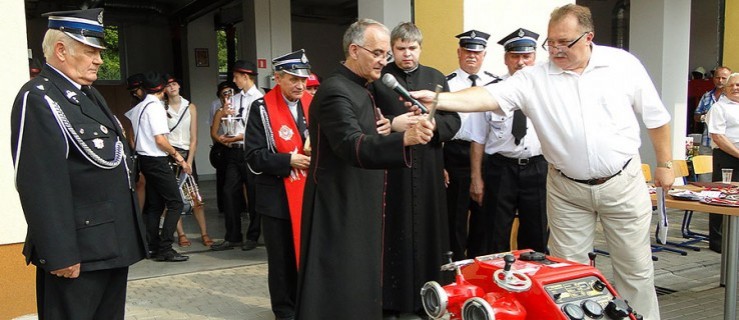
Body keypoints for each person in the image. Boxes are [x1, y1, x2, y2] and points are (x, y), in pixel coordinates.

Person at [410, 5, 673, 319]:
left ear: (588, 37)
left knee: (635, 270)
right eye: (551, 43)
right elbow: (487, 97)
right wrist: (440, 99)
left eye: (565, 42)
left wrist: (665, 164)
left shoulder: (622, 65)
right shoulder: (534, 78)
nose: (556, 50)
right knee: (566, 274)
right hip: (566, 189)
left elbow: (656, 117)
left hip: (621, 183)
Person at [10, 8, 147, 318]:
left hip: (109, 244)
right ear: (61, 50)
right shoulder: (39, 98)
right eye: (90, 51)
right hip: (77, 252)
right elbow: (39, 182)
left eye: (98, 52)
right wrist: (59, 253)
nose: (99, 59)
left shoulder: (88, 95)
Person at [295, 18, 435, 320]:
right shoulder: (336, 91)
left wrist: (390, 129)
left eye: (386, 55)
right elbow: (351, 145)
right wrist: (403, 141)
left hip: (359, 200)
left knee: (359, 281)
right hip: (339, 204)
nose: (384, 61)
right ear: (354, 50)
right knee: (338, 285)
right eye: (378, 53)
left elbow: (366, 134)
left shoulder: (361, 88)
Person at [367, 22, 459, 318]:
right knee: (395, 229)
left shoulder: (436, 78)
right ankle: (392, 301)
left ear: (420, 47)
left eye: (412, 48)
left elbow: (453, 121)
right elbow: (370, 118)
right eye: (400, 49)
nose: (407, 54)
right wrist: (395, 124)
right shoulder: (380, 78)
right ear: (392, 49)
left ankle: (431, 298)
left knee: (430, 228)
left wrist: (435, 127)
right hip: (393, 168)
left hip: (429, 166)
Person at [465, 28, 548, 255]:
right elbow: (478, 138)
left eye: (526, 56)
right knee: (495, 234)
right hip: (501, 169)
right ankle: (499, 285)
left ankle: (530, 285)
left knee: (537, 236)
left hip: (538, 169)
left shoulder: (548, 91)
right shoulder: (492, 92)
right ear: (506, 59)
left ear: (534, 58)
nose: (521, 62)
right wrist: (476, 178)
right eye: (515, 56)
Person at [245, 49, 313, 320]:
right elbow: (254, 156)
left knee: (307, 255)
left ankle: (307, 304)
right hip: (277, 199)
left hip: (310, 194)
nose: (300, 85)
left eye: (303, 79)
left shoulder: (313, 104)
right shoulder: (261, 108)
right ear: (278, 78)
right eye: (293, 79)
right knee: (282, 260)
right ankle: (285, 311)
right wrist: (289, 160)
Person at [445, 29, 499, 259]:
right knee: (455, 219)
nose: (472, 56)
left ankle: (479, 266)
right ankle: (456, 268)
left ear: (484, 54)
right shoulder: (446, 84)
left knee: (485, 219)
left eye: (477, 52)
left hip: (489, 157)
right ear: (459, 52)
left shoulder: (496, 83)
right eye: (467, 51)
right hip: (456, 154)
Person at [127, 71, 191, 262]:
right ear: (162, 89)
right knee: (175, 203)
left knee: (155, 205)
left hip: (144, 159)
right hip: (156, 159)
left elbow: (131, 133)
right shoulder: (155, 108)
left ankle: (152, 246)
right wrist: (179, 157)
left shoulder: (139, 107)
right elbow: (160, 140)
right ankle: (165, 248)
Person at [210, 60, 264, 251]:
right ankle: (232, 236)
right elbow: (226, 120)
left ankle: (253, 235)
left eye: (235, 76)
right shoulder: (234, 98)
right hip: (233, 150)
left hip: (250, 150)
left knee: (254, 194)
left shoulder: (259, 98)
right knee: (229, 192)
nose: (234, 80)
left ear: (245, 76)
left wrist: (237, 137)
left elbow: (257, 129)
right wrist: (224, 117)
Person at [163, 75, 214, 247]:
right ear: (164, 89)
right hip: (170, 155)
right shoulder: (162, 108)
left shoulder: (190, 107)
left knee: (195, 198)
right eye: (169, 85)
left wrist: (189, 161)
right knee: (173, 199)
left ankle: (204, 233)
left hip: (187, 155)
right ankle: (182, 234)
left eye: (175, 83)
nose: (172, 87)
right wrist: (175, 156)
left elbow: (194, 138)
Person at [706, 72, 739, 253]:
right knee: (722, 198)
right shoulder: (719, 108)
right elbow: (718, 136)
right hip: (727, 157)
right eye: (731, 86)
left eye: (738, 85)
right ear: (725, 89)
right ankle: (718, 241)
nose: (735, 88)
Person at [209, 81, 238, 217]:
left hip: (239, 144)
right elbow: (213, 130)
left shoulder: (240, 104)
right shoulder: (217, 107)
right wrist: (219, 143)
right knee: (224, 178)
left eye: (230, 92)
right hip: (224, 143)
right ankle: (224, 207)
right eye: (224, 93)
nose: (227, 95)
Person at [695, 66, 732, 146]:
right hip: (707, 143)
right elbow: (696, 116)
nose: (720, 80)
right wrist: (706, 117)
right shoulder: (706, 96)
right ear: (713, 78)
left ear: (730, 80)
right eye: (717, 77)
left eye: (724, 78)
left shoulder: (733, 98)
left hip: (727, 144)